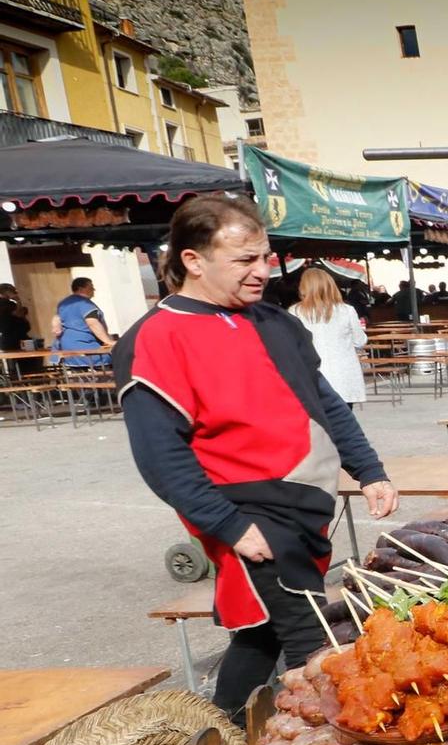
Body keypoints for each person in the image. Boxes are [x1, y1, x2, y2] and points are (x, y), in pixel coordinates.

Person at [114, 195, 398, 716]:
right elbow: (160, 454)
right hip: (249, 510)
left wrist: (368, 469)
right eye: (244, 260)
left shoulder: (274, 322)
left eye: (265, 257)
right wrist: (229, 525)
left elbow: (323, 404)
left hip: (305, 504)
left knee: (260, 634)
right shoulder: (156, 337)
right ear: (193, 260)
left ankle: (217, 737)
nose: (262, 271)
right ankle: (336, 743)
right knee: (312, 644)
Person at [290, 267, 370, 407]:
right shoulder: (346, 310)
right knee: (344, 417)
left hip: (311, 376)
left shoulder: (295, 312)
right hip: (343, 375)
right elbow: (360, 341)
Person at [52, 277, 115, 368]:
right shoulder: (85, 304)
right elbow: (92, 323)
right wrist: (108, 341)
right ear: (81, 289)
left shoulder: (63, 303)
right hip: (85, 347)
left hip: (67, 348)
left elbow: (57, 320)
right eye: (91, 287)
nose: (94, 289)